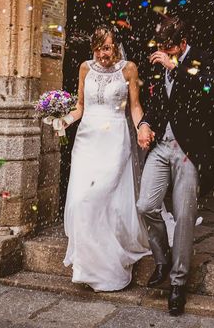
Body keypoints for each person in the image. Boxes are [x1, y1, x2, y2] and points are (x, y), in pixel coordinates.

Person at [136, 16, 214, 316]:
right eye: (162, 48)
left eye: (169, 48)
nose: (162, 53)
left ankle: (178, 283)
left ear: (182, 44)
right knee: (145, 204)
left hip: (189, 150)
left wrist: (176, 68)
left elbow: (209, 93)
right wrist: (145, 124)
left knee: (184, 215)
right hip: (161, 147)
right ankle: (163, 258)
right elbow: (160, 106)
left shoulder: (202, 59)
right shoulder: (163, 65)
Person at [61, 26, 150, 291]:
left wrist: (141, 127)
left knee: (96, 197)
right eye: (98, 49)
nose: (102, 54)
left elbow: (134, 106)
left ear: (116, 46)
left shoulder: (129, 69)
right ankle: (88, 264)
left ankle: (107, 265)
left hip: (114, 140)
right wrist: (63, 120)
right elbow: (80, 107)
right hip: (87, 141)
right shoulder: (84, 68)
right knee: (79, 200)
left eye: (107, 48)